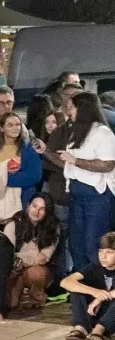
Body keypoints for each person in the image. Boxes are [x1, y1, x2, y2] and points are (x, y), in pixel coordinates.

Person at [59, 91, 115, 270]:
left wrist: (76, 161)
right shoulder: (76, 132)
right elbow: (67, 160)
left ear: (83, 109)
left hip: (96, 196)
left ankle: (101, 290)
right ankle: (81, 291)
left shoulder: (104, 133)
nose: (69, 112)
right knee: (76, 245)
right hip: (76, 193)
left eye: (72, 107)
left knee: (94, 245)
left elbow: (107, 165)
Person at [0, 113, 44, 224]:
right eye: (10, 125)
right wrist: (2, 173)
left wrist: (3, 179)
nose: (15, 128)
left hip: (21, 202)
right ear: (1, 128)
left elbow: (35, 176)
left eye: (18, 124)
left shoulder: (28, 148)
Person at [4, 193, 60, 312]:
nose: (36, 211)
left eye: (42, 209)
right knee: (12, 305)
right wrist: (31, 256)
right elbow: (8, 255)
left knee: (37, 272)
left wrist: (22, 259)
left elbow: (43, 257)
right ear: (28, 206)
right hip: (14, 270)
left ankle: (35, 294)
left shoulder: (53, 228)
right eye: (34, 206)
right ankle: (20, 291)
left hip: (35, 269)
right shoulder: (13, 224)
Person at [63, 229, 115, 340]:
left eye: (110, 252)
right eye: (101, 251)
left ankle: (100, 329)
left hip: (111, 314)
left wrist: (99, 298)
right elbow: (66, 282)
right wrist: (94, 292)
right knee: (77, 286)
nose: (103, 256)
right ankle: (80, 327)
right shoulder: (95, 266)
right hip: (94, 312)